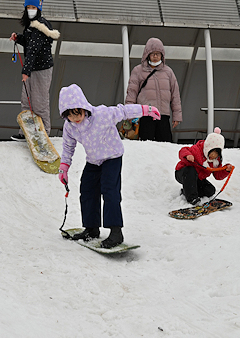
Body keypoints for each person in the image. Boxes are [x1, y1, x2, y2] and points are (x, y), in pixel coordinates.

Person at [58, 84, 160, 248]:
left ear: (84, 107)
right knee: (87, 190)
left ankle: (116, 232)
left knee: (109, 190)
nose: (75, 118)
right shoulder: (70, 127)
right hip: (93, 160)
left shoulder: (102, 114)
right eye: (70, 115)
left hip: (112, 157)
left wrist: (146, 110)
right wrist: (64, 166)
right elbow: (68, 147)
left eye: (78, 113)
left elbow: (124, 111)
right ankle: (91, 228)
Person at [10, 0, 60, 141]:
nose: (31, 9)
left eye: (33, 7)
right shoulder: (30, 25)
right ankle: (26, 131)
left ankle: (44, 132)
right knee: (26, 100)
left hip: (41, 70)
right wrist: (18, 38)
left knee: (39, 102)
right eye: (28, 6)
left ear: (39, 8)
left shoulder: (40, 26)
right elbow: (28, 41)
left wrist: (26, 71)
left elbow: (33, 50)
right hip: (32, 68)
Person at [125, 37, 182, 142]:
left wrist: (177, 116)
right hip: (146, 116)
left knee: (165, 145)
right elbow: (132, 93)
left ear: (162, 55)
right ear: (147, 55)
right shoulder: (138, 70)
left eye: (158, 53)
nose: (155, 56)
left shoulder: (168, 72)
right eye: (153, 53)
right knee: (146, 146)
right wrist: (129, 112)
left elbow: (175, 95)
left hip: (163, 115)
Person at [175, 127, 233, 205]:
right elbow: (183, 150)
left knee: (210, 190)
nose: (213, 155)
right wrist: (188, 155)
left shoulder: (216, 161)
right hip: (183, 174)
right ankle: (192, 198)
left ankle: (187, 191)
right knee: (191, 170)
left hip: (197, 179)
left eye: (217, 153)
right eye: (212, 152)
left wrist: (226, 170)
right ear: (208, 147)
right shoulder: (197, 150)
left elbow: (217, 175)